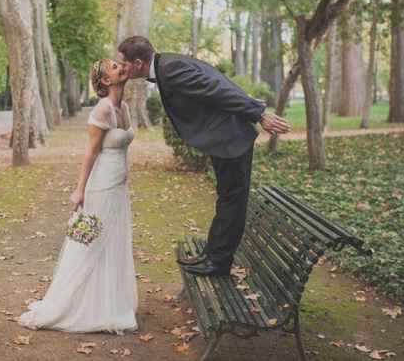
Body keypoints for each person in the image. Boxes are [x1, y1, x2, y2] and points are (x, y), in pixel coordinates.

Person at [117, 36, 291, 277]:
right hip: (225, 138)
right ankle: (213, 254)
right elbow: (215, 79)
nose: (122, 68)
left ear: (137, 63)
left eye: (123, 63)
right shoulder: (167, 64)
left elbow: (216, 89)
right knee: (226, 198)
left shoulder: (170, 69)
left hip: (231, 138)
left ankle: (219, 263)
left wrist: (258, 113)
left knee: (233, 201)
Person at [19, 58, 138, 334]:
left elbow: (123, 147)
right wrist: (79, 189)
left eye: (119, 64)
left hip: (118, 185)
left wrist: (125, 174)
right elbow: (91, 152)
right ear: (106, 81)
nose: (121, 66)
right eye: (113, 66)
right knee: (94, 244)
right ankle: (73, 305)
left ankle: (110, 303)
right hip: (101, 186)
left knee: (115, 242)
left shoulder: (126, 108)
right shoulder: (102, 110)